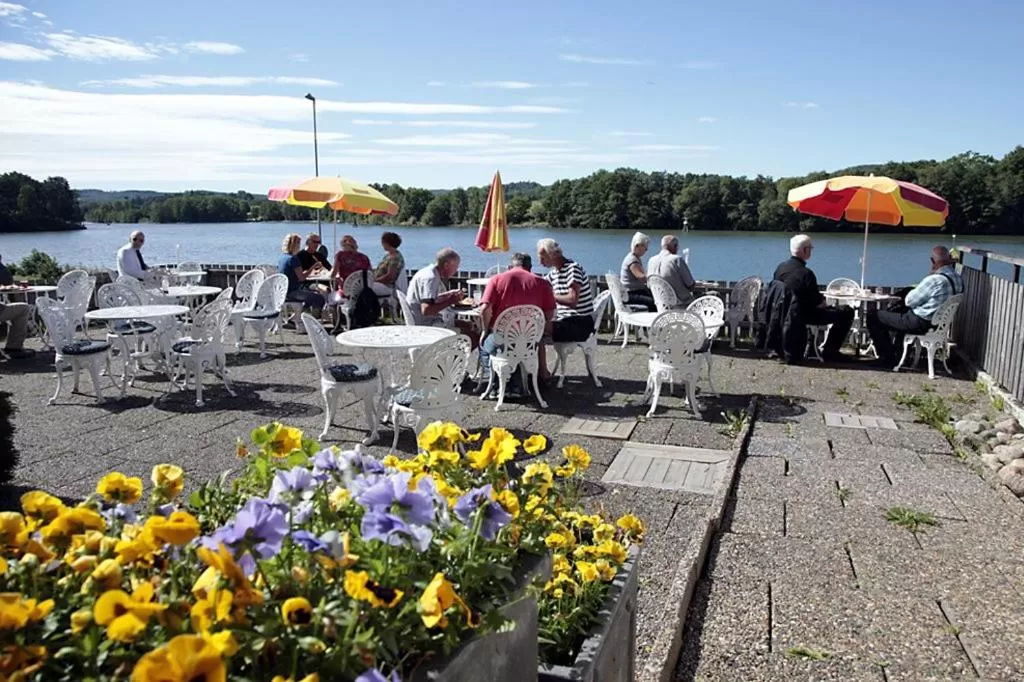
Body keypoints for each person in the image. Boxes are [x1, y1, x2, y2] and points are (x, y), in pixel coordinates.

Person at [866, 246, 964, 365]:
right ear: (949, 259)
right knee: (899, 314)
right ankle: (898, 354)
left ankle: (886, 358)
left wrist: (929, 275)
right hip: (938, 325)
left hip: (920, 322)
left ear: (932, 261)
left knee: (873, 317)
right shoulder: (957, 278)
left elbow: (909, 301)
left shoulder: (934, 280)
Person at [478, 253, 556, 393]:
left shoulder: (496, 279)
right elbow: (549, 314)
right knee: (519, 346)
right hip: (529, 340)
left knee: (484, 344)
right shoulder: (543, 283)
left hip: (502, 338)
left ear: (509, 267)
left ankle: (493, 382)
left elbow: (484, 309)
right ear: (530, 268)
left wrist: (485, 330)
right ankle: (516, 383)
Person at [773, 234, 854, 361]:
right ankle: (830, 351)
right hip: (804, 315)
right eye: (810, 248)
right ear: (805, 250)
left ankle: (817, 347)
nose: (811, 251)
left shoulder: (780, 268)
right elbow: (818, 303)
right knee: (847, 312)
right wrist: (826, 305)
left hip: (783, 313)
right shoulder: (806, 274)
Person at [537, 238, 595, 379]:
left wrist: (549, 296)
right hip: (564, 320)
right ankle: (538, 373)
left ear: (554, 254)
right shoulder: (553, 273)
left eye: (543, 257)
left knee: (535, 329)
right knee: (532, 330)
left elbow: (572, 300)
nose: (540, 262)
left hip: (580, 323)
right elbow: (542, 289)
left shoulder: (572, 269)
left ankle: (542, 374)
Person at [405, 248, 465, 327]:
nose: (456, 270)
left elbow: (428, 299)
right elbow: (426, 310)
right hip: (426, 325)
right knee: (469, 329)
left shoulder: (428, 272)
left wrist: (447, 295)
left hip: (422, 319)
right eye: (456, 267)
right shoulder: (431, 278)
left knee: (467, 325)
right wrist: (450, 300)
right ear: (446, 265)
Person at [277, 233, 326, 325]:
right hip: (292, 291)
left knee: (311, 295)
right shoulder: (293, 259)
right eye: (298, 243)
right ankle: (312, 321)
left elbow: (295, 274)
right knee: (319, 298)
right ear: (294, 245)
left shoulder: (282, 257)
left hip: (282, 291)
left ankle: (296, 318)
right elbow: (302, 278)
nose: (300, 246)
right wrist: (313, 267)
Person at [647, 234, 696, 306]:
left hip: (660, 303)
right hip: (681, 303)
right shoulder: (676, 259)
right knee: (713, 294)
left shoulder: (651, 260)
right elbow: (691, 285)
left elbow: (649, 285)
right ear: (675, 246)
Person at [619, 232, 656, 311]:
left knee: (655, 297)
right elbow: (640, 276)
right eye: (645, 248)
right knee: (654, 302)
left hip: (632, 292)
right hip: (630, 294)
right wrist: (653, 276)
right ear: (638, 245)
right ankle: (651, 321)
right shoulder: (632, 260)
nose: (646, 250)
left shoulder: (633, 257)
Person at [371, 232, 405, 297]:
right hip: (380, 284)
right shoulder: (388, 255)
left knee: (364, 288)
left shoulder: (394, 258)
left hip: (387, 286)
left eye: (383, 242)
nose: (382, 244)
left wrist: (374, 280)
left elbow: (390, 276)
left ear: (387, 243)